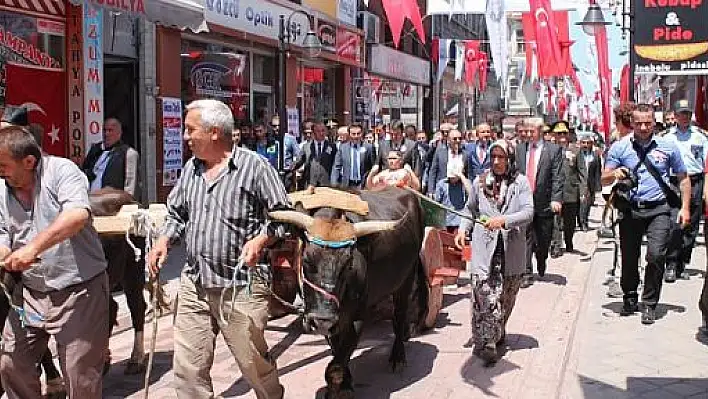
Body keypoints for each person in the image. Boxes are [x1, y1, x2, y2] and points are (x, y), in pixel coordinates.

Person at [148, 99, 287, 398]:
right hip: (195, 284)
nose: (185, 137)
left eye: (190, 129)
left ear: (213, 132)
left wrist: (261, 240)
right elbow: (177, 214)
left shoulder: (255, 167)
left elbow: (282, 218)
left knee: (254, 365)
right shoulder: (191, 169)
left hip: (240, 286)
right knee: (188, 368)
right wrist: (163, 241)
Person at [0, 126, 109, 398]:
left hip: (79, 290)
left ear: (29, 161)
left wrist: (33, 247)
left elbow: (76, 215)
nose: (0, 172)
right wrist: (5, 254)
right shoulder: (1, 189)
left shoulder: (62, 171)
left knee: (78, 372)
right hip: (30, 293)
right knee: (11, 363)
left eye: (3, 165)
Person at [601, 103, 690, 325]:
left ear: (654, 121)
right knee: (629, 257)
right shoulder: (620, 147)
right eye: (638, 123)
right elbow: (602, 179)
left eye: (647, 123)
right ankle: (630, 295)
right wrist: (614, 174)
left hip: (658, 209)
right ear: (631, 122)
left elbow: (683, 178)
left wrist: (686, 208)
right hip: (630, 209)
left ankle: (650, 303)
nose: (643, 127)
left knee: (656, 255)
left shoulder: (667, 146)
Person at [455, 139, 534, 365]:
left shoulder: (521, 183)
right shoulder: (480, 182)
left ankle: (497, 332)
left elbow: (528, 212)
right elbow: (469, 209)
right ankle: (488, 342)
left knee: (506, 297)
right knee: (486, 296)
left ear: (510, 159)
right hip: (484, 251)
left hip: (510, 251)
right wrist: (463, 230)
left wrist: (504, 220)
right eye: (494, 157)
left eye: (502, 157)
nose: (497, 161)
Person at [82, 118, 145, 374]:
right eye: (104, 130)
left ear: (120, 132)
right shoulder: (95, 150)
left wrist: (126, 213)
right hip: (86, 205)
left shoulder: (129, 153)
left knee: (133, 285)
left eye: (111, 130)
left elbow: (129, 187)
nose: (106, 134)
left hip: (113, 211)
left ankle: (138, 344)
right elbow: (83, 174)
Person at [515, 118, 564, 287]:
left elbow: (558, 176)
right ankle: (526, 272)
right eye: (526, 131)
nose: (528, 134)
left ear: (541, 131)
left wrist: (556, 199)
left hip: (544, 201)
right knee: (525, 237)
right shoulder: (520, 149)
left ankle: (541, 257)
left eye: (532, 131)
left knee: (543, 238)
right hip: (524, 201)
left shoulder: (553, 150)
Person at [663, 99, 708, 282]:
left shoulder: (701, 137)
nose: (685, 117)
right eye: (681, 114)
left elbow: (705, 165)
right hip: (675, 183)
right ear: (675, 116)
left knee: (692, 225)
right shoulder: (667, 138)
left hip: (696, 181)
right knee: (676, 223)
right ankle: (671, 263)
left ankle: (682, 261)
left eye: (688, 114)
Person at [553, 121, 587, 254]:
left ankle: (568, 242)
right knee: (555, 221)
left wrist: (583, 191)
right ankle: (556, 245)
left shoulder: (575, 150)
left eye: (564, 133)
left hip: (571, 191)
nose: (561, 136)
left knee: (570, 221)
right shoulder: (550, 149)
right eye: (558, 133)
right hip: (555, 191)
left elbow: (582, 171)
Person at [292, 121, 337, 188]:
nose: (321, 133)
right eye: (318, 131)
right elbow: (299, 161)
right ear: (313, 133)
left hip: (326, 183)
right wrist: (290, 169)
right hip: (311, 183)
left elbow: (336, 164)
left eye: (323, 131)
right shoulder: (306, 147)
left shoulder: (332, 146)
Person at [331, 124, 373, 188]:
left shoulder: (368, 147)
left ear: (362, 133)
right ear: (349, 134)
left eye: (358, 133)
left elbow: (372, 166)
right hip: (347, 184)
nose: (356, 136)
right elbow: (336, 166)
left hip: (363, 184)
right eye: (353, 134)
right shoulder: (343, 148)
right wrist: (334, 183)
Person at [434, 162, 472, 233]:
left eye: (454, 177)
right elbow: (436, 204)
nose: (452, 178)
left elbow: (472, 194)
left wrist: (461, 175)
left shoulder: (465, 184)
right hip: (445, 223)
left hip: (460, 223)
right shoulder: (441, 184)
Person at [428, 129, 467, 195]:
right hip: (442, 189)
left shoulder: (465, 154)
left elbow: (468, 174)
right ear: (448, 140)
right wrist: (431, 190)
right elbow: (433, 171)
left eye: (460, 138)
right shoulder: (440, 152)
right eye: (455, 139)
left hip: (459, 190)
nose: (458, 141)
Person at [578, 132, 602, 231]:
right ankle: (581, 222)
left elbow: (598, 171)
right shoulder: (577, 154)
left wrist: (598, 186)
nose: (586, 145)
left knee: (587, 204)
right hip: (579, 183)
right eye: (583, 143)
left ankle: (584, 221)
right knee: (580, 204)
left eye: (588, 143)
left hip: (590, 183)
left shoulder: (595, 155)